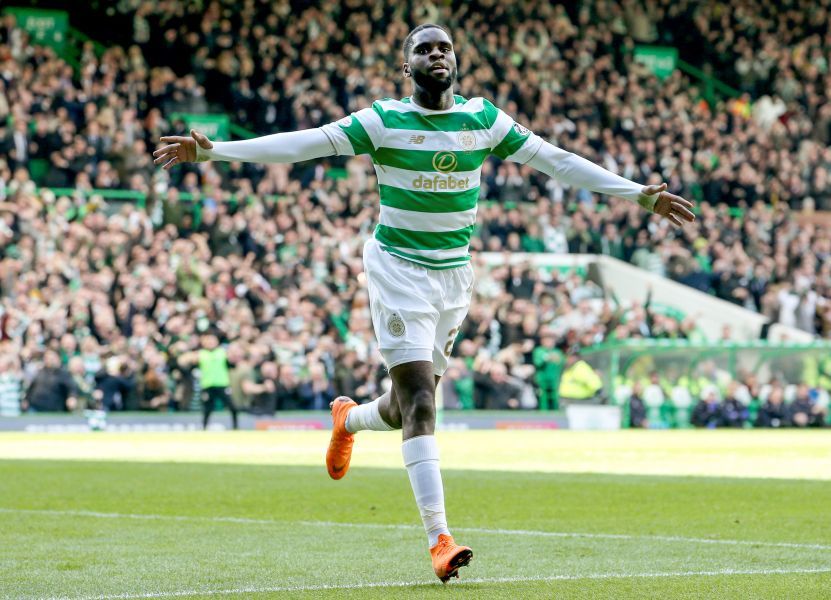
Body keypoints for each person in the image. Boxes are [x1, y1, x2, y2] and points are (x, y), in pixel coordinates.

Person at [152, 23, 695, 582]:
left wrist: (637, 193)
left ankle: (349, 418)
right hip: (398, 271)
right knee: (421, 404)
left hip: (454, 277)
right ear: (406, 66)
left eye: (445, 47)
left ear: (455, 61)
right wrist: (217, 152)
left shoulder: (483, 119)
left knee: (404, 407)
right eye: (424, 48)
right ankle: (440, 538)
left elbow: (556, 160)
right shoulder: (383, 121)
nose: (437, 54)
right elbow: (305, 143)